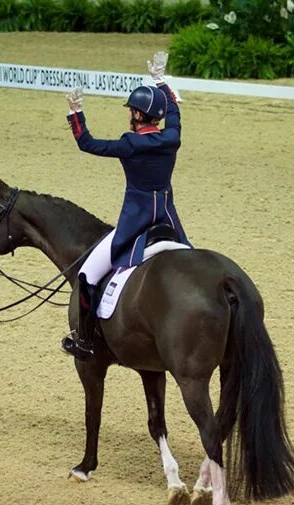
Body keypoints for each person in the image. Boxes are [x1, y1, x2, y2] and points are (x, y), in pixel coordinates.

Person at [61, 51, 191, 362]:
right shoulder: (172, 137)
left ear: (136, 114)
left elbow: (87, 143)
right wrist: (160, 81)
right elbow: (174, 111)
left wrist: (76, 112)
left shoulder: (129, 144)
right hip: (168, 219)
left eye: (131, 110)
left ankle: (87, 341)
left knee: (87, 277)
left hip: (136, 222)